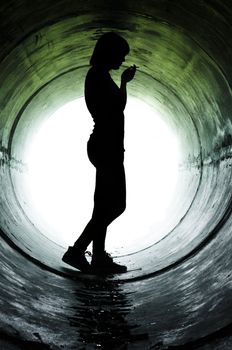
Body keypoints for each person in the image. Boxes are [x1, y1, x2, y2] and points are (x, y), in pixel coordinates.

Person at [62, 32, 136, 274]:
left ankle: (99, 258)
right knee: (117, 205)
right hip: (105, 148)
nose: (122, 60)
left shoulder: (99, 75)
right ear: (110, 52)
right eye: (121, 55)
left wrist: (123, 83)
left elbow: (116, 107)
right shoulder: (97, 76)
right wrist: (124, 83)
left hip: (106, 147)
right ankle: (77, 250)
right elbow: (117, 107)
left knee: (102, 207)